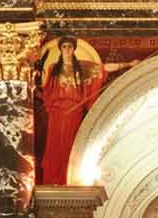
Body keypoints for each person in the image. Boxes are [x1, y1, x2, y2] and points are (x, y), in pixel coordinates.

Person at [36, 37, 106, 185]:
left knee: (70, 146)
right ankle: (52, 179)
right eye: (64, 47)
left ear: (74, 49)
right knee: (54, 148)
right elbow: (47, 91)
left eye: (69, 47)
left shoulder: (83, 68)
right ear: (60, 50)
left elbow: (103, 68)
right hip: (56, 114)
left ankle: (68, 178)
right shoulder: (53, 69)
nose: (67, 49)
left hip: (74, 113)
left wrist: (128, 64)